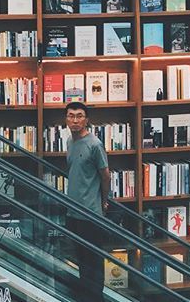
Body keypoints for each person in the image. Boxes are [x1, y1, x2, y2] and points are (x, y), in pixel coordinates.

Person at [64, 101, 111, 302]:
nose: (75, 120)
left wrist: (104, 200)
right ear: (66, 119)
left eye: (80, 116)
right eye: (71, 115)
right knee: (81, 261)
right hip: (72, 212)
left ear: (87, 120)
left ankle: (95, 299)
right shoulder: (69, 142)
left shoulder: (94, 144)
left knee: (93, 262)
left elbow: (105, 174)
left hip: (90, 213)